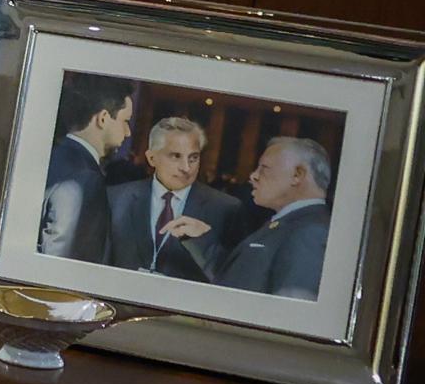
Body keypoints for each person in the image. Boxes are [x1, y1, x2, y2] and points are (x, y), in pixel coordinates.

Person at [106, 112, 248, 280]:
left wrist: (202, 241)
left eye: (193, 158)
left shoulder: (226, 209)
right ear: (151, 158)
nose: (186, 168)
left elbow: (232, 279)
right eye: (175, 156)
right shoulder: (116, 198)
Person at [222, 135, 335, 299]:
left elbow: (291, 306)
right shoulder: (291, 223)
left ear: (297, 175)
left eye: (264, 168)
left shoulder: (310, 232)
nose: (253, 176)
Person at [40, 76, 138, 257]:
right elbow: (63, 258)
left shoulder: (50, 155)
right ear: (103, 118)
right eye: (125, 121)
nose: (128, 132)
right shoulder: (85, 179)